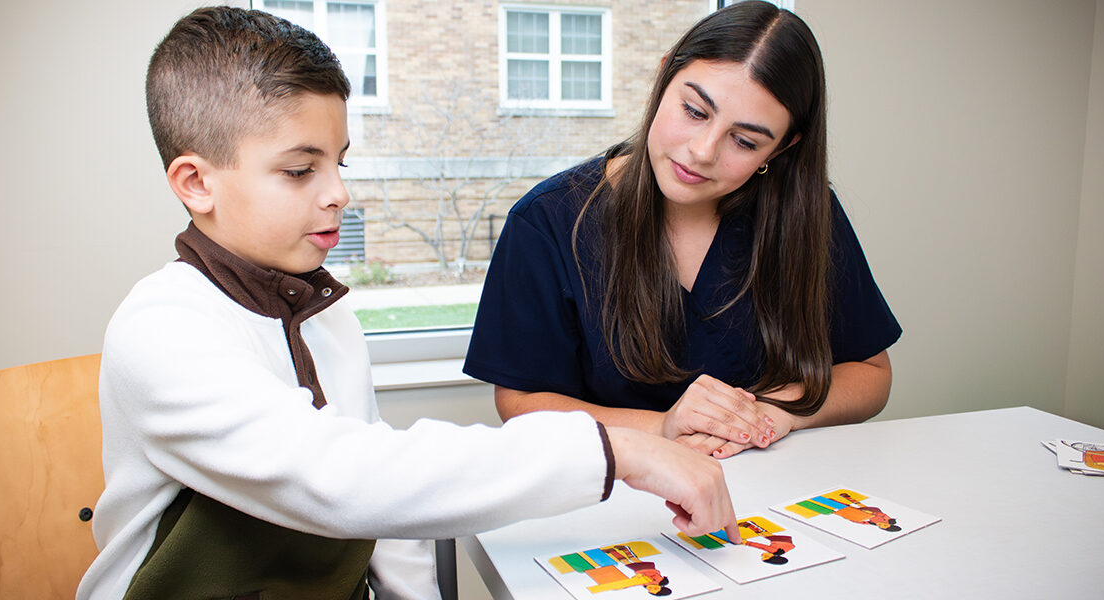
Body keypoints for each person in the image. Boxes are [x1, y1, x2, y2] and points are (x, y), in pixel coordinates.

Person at [77, 7, 740, 600]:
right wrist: (620, 450)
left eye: (340, 162)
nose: (338, 192)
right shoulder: (162, 329)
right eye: (300, 170)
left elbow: (386, 525)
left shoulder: (324, 311)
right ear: (196, 182)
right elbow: (346, 478)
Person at [464, 1, 902, 461]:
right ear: (662, 78)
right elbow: (520, 403)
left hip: (772, 498)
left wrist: (771, 416)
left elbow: (871, 372)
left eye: (745, 141)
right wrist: (663, 426)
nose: (702, 151)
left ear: (783, 147)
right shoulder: (549, 222)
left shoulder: (807, 215)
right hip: (616, 498)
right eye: (694, 111)